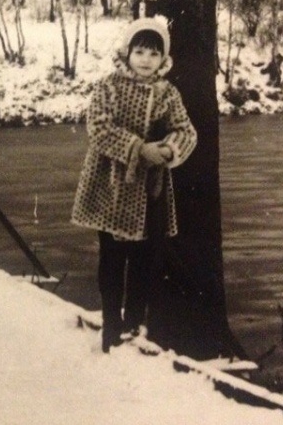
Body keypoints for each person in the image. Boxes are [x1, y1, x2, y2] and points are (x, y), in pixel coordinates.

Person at [71, 17, 197, 353]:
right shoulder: (108, 87)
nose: (145, 60)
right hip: (110, 185)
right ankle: (111, 325)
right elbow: (98, 128)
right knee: (112, 257)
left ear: (162, 59)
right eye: (139, 51)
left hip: (149, 188)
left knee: (144, 257)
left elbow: (186, 130)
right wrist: (138, 149)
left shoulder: (167, 92)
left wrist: (169, 149)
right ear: (127, 54)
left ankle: (134, 323)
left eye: (153, 54)